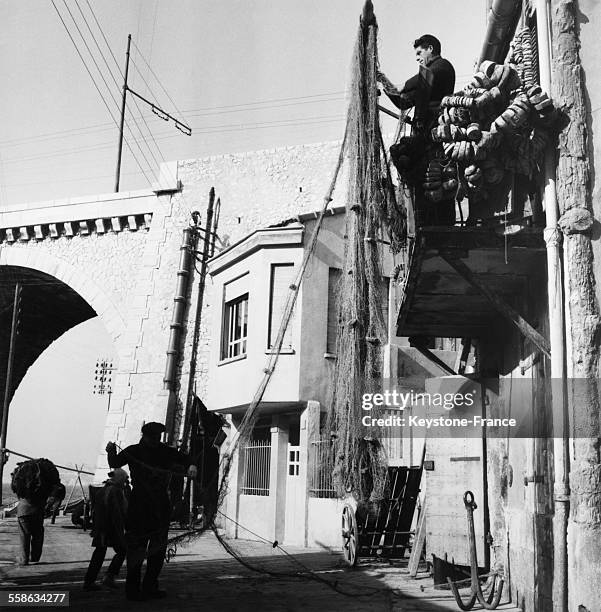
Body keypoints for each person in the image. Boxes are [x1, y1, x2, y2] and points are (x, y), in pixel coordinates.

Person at [105, 422, 197, 601]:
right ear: (144, 436)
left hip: (160, 507)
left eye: (158, 437)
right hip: (139, 506)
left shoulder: (165, 451)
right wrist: (110, 450)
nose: (156, 440)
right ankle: (132, 590)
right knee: (136, 551)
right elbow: (115, 463)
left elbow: (187, 459)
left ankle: (150, 587)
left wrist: (192, 466)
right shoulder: (133, 451)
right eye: (153, 437)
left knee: (157, 551)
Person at [378, 34, 456, 126]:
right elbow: (403, 103)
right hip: (423, 131)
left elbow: (428, 74)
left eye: (419, 53)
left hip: (437, 126)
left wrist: (400, 87)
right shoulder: (426, 83)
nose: (417, 58)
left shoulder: (443, 65)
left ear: (430, 49)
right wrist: (383, 80)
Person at [83, 468, 129, 591]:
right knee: (121, 550)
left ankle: (90, 581)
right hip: (108, 528)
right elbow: (117, 513)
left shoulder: (103, 490)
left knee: (99, 553)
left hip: (101, 527)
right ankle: (107, 577)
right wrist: (121, 531)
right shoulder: (115, 491)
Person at [11, 459, 60, 567]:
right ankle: (35, 557)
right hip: (38, 511)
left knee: (25, 535)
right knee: (38, 534)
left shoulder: (23, 483)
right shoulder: (43, 486)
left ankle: (24, 560)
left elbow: (17, 491)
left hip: (23, 511)